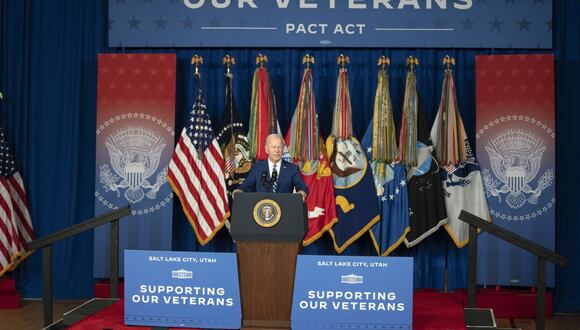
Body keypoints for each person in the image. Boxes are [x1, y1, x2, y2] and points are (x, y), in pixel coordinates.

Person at [233, 134, 308, 201]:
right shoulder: (257, 168)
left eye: (279, 147)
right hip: (262, 210)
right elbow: (246, 185)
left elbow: (302, 187)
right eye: (273, 147)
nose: (277, 150)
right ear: (266, 149)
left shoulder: (292, 168)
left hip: (284, 210)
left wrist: (302, 192)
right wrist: (240, 191)